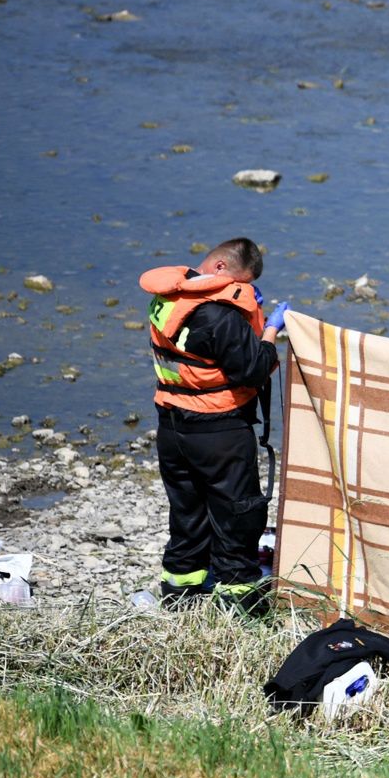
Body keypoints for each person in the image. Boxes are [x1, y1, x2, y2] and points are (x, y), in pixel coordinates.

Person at [140, 237, 289, 613]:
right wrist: (269, 330)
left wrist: (246, 315)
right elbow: (253, 369)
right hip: (218, 429)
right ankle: (240, 610)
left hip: (172, 425)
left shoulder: (168, 299)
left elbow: (207, 350)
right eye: (240, 284)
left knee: (188, 514)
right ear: (221, 268)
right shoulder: (221, 316)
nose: (242, 292)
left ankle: (179, 599)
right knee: (238, 516)